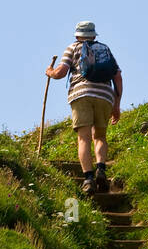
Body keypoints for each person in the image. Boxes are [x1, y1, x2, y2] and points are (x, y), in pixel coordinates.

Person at [45, 20, 122, 194]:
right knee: (100, 137)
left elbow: (60, 73)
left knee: (84, 138)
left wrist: (49, 71)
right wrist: (116, 105)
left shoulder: (72, 48)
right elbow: (117, 76)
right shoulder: (105, 49)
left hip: (81, 94)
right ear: (94, 35)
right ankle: (101, 169)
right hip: (105, 95)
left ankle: (88, 179)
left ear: (77, 35)